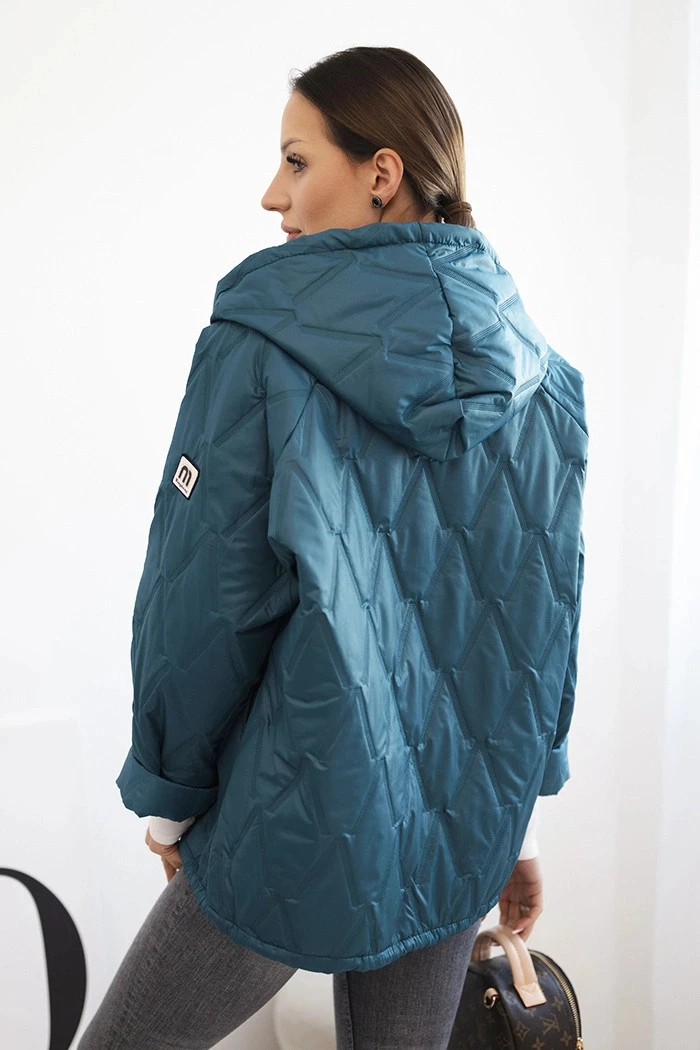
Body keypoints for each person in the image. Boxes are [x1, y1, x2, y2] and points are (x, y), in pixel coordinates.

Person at [78, 45, 587, 1050]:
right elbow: (534, 623)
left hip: (294, 818)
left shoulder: (258, 348)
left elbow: (204, 600)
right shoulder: (546, 383)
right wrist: (511, 817)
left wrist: (172, 803)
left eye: (297, 160)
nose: (273, 194)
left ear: (381, 172)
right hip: (459, 826)